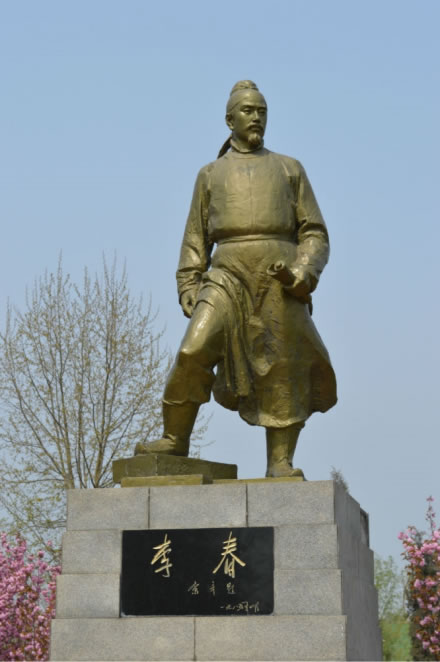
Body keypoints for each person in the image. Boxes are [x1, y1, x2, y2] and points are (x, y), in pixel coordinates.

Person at [135, 80, 337, 477]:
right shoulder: (210, 175)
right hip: (226, 275)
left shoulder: (289, 168)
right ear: (230, 120)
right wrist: (189, 281)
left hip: (278, 279)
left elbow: (315, 233)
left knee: (284, 364)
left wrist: (302, 271)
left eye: (262, 111)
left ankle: (279, 461)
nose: (256, 117)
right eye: (248, 111)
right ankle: (175, 438)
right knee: (193, 349)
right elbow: (195, 236)